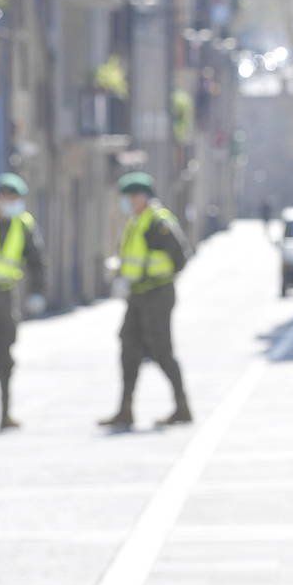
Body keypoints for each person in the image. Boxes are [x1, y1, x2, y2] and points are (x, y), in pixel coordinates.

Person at [98, 172, 192, 431]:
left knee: (161, 350)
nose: (127, 202)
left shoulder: (157, 222)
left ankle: (182, 406)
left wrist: (152, 273)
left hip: (157, 294)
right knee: (128, 346)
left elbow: (180, 258)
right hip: (137, 294)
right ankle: (125, 409)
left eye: (130, 197)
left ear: (142, 197)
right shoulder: (136, 222)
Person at [0, 173, 46, 431]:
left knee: (5, 358)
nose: (11, 203)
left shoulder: (23, 225)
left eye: (16, 199)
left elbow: (37, 261)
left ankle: (5, 414)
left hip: (6, 297)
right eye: (8, 198)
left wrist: (37, 292)